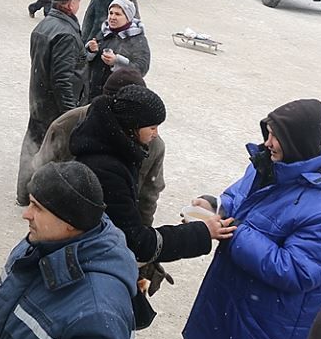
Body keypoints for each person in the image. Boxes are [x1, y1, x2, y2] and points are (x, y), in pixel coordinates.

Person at [184, 99, 321, 339]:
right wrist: (216, 206)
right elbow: (238, 198)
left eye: (275, 136)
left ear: (298, 142)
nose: (267, 143)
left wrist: (235, 233)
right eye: (268, 133)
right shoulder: (268, 166)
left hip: (268, 328)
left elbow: (297, 271)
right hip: (231, 307)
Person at [70, 86, 233, 315]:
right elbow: (135, 240)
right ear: (131, 127)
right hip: (90, 272)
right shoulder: (108, 169)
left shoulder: (111, 147)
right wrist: (201, 232)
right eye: (152, 127)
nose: (156, 134)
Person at [0, 162, 137, 339]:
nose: (26, 214)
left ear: (70, 222)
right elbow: (10, 292)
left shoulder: (97, 315)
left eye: (37, 207)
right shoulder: (40, 245)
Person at [28, 68, 166, 227]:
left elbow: (148, 195)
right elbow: (41, 169)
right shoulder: (66, 125)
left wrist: (141, 233)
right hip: (65, 222)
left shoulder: (153, 144)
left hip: (118, 228)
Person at [16, 0, 86, 204]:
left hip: (39, 97)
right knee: (51, 152)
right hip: (56, 105)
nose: (79, 4)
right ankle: (40, 198)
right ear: (69, 4)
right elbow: (62, 78)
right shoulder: (65, 33)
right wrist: (70, 113)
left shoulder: (45, 24)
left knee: (32, 145)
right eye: (77, 0)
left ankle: (23, 193)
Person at [84, 0, 150, 100]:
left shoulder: (137, 39)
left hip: (117, 95)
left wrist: (117, 61)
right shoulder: (104, 32)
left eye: (118, 14)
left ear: (128, 17)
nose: (112, 17)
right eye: (111, 13)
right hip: (93, 92)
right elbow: (86, 62)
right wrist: (92, 50)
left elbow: (141, 69)